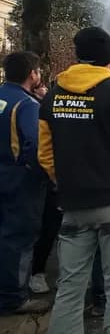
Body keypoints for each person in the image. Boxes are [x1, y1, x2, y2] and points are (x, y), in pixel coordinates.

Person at [40, 27, 110, 334]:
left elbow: (45, 154)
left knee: (70, 289)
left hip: (74, 207)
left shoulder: (53, 95)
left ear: (77, 54)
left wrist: (66, 183)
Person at [0, 51, 48, 315]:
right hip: (20, 181)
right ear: (32, 74)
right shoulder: (28, 105)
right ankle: (15, 298)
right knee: (19, 239)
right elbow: (37, 147)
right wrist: (41, 175)